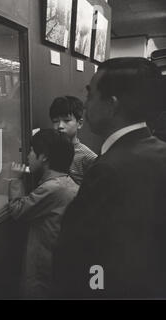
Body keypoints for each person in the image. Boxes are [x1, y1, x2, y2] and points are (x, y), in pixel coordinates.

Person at [53, 58, 166, 299]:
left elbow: (84, 255)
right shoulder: (159, 150)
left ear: (111, 105)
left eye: (90, 96)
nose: (86, 104)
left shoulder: (108, 169)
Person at [8, 129, 78, 298]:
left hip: (43, 266)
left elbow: (18, 210)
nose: (28, 155)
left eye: (32, 150)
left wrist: (15, 179)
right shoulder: (67, 183)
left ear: (44, 157)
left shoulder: (52, 188)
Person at [49, 96, 97, 184]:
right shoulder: (49, 152)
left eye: (66, 120)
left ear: (79, 123)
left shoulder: (87, 157)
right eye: (55, 121)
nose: (60, 126)